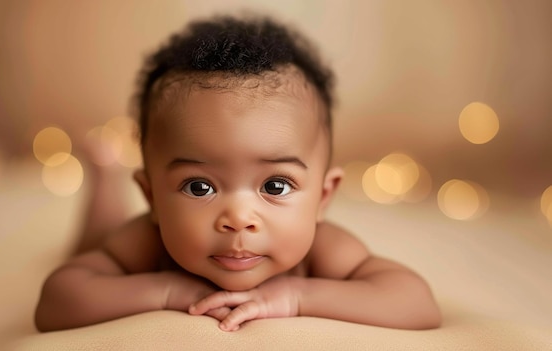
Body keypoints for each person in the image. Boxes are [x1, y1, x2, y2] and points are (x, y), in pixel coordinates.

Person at [34, 15, 441, 332]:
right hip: (124, 241)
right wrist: (168, 290)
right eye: (199, 186)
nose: (238, 219)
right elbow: (58, 299)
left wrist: (297, 296)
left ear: (323, 196)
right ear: (153, 197)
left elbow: (415, 302)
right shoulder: (147, 242)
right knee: (94, 239)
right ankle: (105, 174)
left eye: (275, 185)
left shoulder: (324, 251)